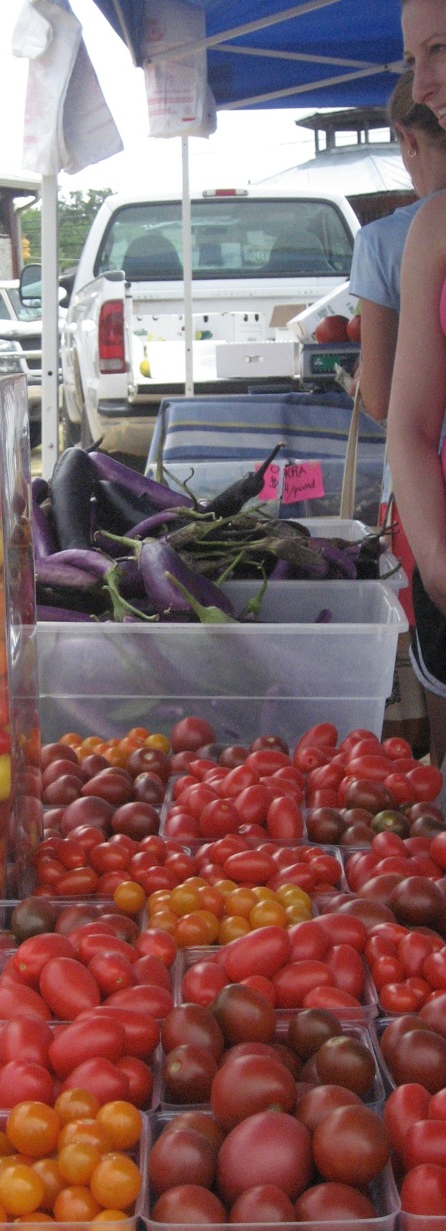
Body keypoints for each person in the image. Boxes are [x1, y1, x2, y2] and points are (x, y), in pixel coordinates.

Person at [348, 69, 446, 757]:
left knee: (432, 702)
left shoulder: (388, 239)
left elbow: (384, 401)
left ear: (408, 141)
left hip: (427, 509)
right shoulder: (428, 232)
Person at [386, 0, 446, 768]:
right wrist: (436, 558)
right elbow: (407, 424)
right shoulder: (433, 229)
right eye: (412, 59)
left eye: (442, 49)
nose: (423, 83)